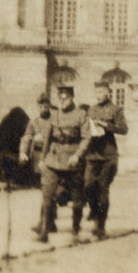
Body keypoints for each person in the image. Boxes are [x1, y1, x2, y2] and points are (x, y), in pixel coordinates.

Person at [29, 86, 90, 243]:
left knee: (77, 200)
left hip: (72, 161)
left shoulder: (81, 115)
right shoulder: (54, 116)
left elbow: (86, 138)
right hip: (53, 160)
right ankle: (44, 232)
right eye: (60, 99)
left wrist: (77, 155)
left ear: (72, 98)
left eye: (66, 98)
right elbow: (48, 140)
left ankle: (75, 231)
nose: (62, 101)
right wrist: (43, 159)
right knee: (47, 196)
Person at [84, 81, 127, 239]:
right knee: (88, 185)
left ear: (108, 92)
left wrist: (107, 125)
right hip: (93, 154)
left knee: (103, 189)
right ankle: (94, 212)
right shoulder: (91, 109)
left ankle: (100, 225)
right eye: (96, 92)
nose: (98, 95)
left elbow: (123, 129)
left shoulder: (116, 109)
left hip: (108, 155)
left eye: (101, 92)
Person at [19, 93, 57, 232]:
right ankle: (50, 222)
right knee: (45, 191)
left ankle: (45, 222)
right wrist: (23, 152)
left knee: (48, 191)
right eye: (40, 106)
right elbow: (26, 138)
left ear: (49, 107)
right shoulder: (33, 122)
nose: (43, 109)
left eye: (45, 106)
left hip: (50, 158)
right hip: (36, 160)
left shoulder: (55, 121)